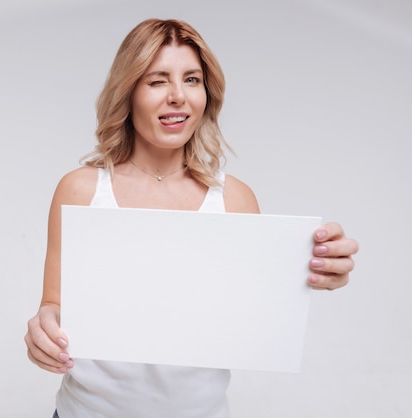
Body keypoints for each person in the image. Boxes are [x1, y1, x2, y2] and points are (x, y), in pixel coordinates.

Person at [24, 18, 359, 417]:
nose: (178, 96)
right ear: (128, 92)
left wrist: (314, 272)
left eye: (192, 80)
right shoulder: (80, 190)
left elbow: (255, 313)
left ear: (207, 93)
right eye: (157, 80)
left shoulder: (234, 199)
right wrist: (43, 328)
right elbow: (55, 306)